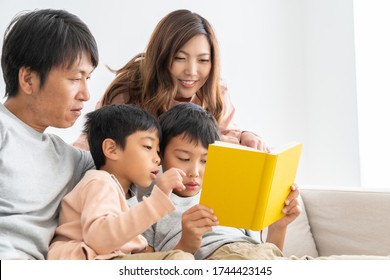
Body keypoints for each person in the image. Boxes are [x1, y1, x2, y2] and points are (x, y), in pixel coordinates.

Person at [73, 9, 268, 151]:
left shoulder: (215, 92)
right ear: (161, 57)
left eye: (203, 60)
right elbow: (91, 142)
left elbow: (230, 137)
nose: (192, 71)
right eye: (180, 58)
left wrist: (244, 136)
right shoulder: (130, 89)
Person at [139, 103, 300, 259]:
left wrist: (278, 227)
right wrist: (186, 244)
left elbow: (269, 255)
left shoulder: (229, 193)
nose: (194, 172)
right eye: (184, 158)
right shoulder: (149, 206)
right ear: (159, 155)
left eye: (205, 161)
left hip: (256, 256)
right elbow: (151, 269)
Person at [0, 9, 98, 260]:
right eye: (76, 78)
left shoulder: (70, 158)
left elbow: (133, 163)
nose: (86, 94)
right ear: (29, 79)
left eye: (88, 78)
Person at [48, 104, 193, 260]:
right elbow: (100, 240)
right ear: (112, 149)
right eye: (148, 146)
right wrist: (156, 201)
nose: (157, 159)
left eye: (158, 151)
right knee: (179, 261)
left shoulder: (128, 194)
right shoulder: (99, 181)